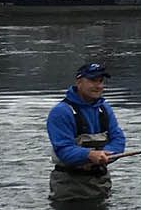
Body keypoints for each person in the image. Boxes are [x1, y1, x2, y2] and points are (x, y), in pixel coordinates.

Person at [47, 61, 126, 202]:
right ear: (79, 82)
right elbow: (63, 150)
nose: (99, 86)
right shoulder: (60, 112)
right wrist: (90, 155)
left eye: (101, 81)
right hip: (69, 189)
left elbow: (118, 138)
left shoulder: (105, 109)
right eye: (93, 81)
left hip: (101, 182)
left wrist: (108, 153)